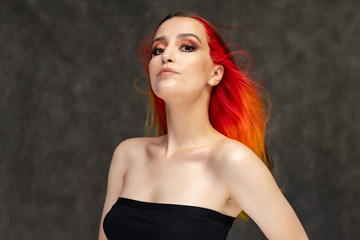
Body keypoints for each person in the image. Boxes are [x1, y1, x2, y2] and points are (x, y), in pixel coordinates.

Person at [98, 11, 308, 240]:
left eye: (187, 46)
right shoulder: (128, 154)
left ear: (215, 73)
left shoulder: (232, 159)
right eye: (158, 49)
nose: (166, 55)